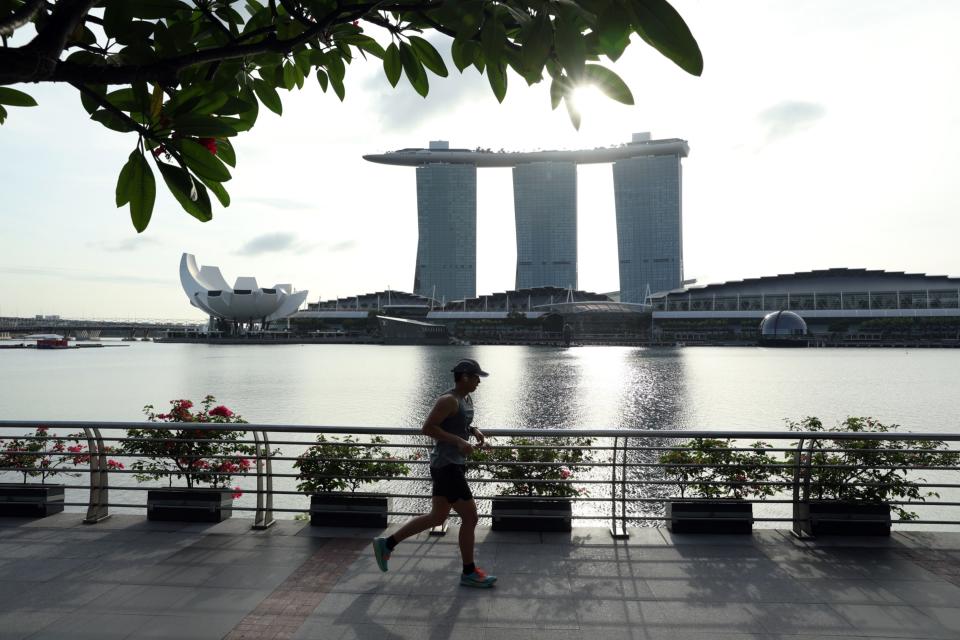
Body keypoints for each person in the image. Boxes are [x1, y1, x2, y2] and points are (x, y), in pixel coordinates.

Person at [372, 358, 496, 588]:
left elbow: (457, 423)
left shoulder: (464, 398)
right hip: (447, 467)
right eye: (477, 377)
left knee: (437, 518)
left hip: (451, 465)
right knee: (470, 518)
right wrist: (459, 441)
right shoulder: (447, 400)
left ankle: (387, 544)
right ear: (465, 377)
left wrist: (474, 430)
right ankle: (469, 572)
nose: (480, 381)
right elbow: (428, 428)